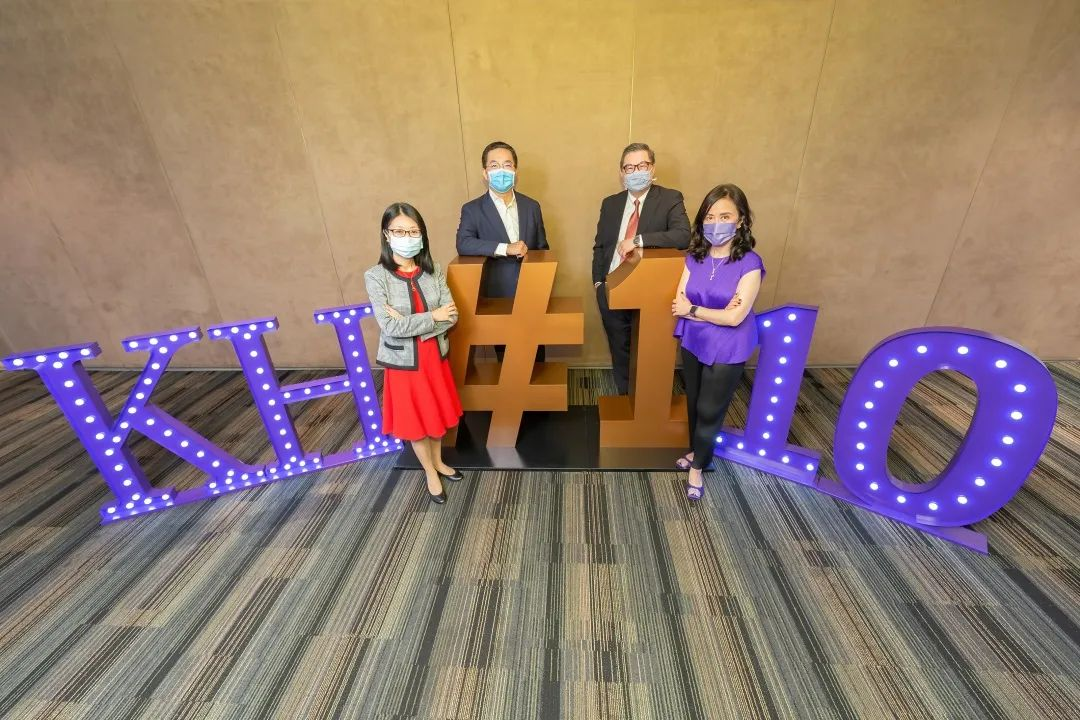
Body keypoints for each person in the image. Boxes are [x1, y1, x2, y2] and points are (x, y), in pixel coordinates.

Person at [364, 202, 464, 504]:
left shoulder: (433, 271)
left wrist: (413, 323)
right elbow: (389, 326)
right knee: (417, 422)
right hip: (404, 365)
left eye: (413, 231)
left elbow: (452, 316)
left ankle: (439, 462)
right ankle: (429, 472)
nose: (406, 237)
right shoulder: (376, 276)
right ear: (386, 234)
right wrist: (432, 317)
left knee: (436, 415)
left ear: (422, 234)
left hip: (434, 358)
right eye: (399, 231)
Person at [671, 184, 764, 501]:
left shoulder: (750, 263)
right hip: (694, 340)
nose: (716, 223)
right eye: (710, 217)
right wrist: (713, 313)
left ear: (741, 220)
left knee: (710, 408)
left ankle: (698, 466)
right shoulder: (694, 258)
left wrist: (695, 311)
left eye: (725, 216)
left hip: (728, 347)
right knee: (694, 401)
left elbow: (735, 318)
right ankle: (696, 451)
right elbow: (678, 303)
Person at [592, 142, 691, 394]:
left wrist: (638, 240)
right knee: (620, 348)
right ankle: (625, 396)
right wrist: (598, 283)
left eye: (642, 165)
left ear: (652, 168)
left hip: (651, 293)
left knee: (649, 352)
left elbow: (683, 236)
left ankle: (648, 401)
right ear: (621, 172)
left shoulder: (670, 199)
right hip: (612, 288)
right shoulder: (610, 204)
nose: (636, 171)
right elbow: (600, 246)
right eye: (629, 167)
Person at [456, 140, 550, 362]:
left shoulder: (532, 206)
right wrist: (505, 248)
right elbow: (464, 243)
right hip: (496, 297)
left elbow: (542, 248)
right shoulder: (472, 210)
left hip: (532, 295)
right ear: (485, 173)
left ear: (515, 171)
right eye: (494, 165)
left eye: (507, 165)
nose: (501, 171)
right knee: (506, 361)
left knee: (537, 358)